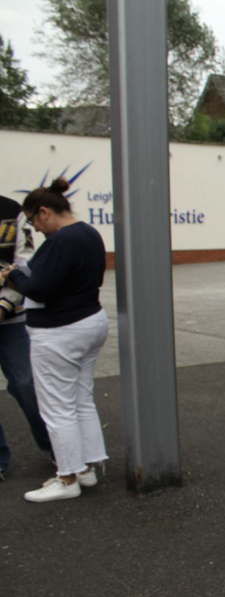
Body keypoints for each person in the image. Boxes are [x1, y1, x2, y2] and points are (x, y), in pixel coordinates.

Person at [1, 178, 109, 502]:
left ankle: (67, 478)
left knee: (57, 409)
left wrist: (12, 276)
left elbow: (39, 288)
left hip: (59, 331)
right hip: (90, 321)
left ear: (44, 212)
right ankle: (87, 469)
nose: (35, 228)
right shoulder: (89, 233)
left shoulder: (60, 240)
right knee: (80, 400)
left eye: (33, 221)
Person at [0, 195, 53, 479]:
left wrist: (4, 306)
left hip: (10, 319)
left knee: (25, 384)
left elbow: (24, 263)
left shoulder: (12, 212)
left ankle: (54, 447)